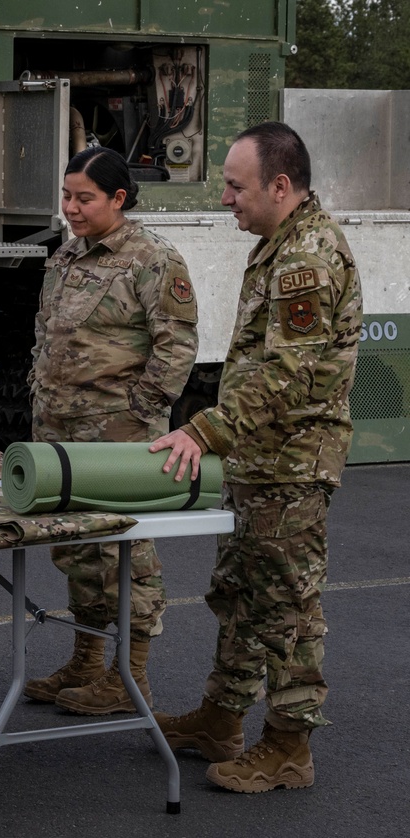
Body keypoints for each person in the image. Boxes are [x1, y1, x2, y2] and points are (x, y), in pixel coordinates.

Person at [149, 121, 362, 792]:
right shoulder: (279, 246)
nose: (226, 200)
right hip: (262, 462)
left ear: (279, 186)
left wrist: (203, 432)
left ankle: (289, 748)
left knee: (286, 610)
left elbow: (287, 380)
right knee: (241, 596)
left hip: (291, 467)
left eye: (236, 187)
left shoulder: (305, 258)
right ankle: (221, 719)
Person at [23, 146, 199, 715]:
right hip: (61, 432)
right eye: (67, 196)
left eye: (84, 198)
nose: (71, 208)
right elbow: (48, 334)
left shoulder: (151, 258)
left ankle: (132, 676)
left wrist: (139, 412)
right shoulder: (67, 255)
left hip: (119, 439)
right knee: (76, 548)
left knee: (125, 548)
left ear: (118, 198)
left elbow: (177, 347)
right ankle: (87, 661)